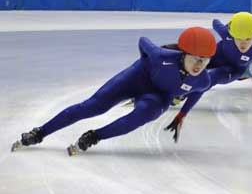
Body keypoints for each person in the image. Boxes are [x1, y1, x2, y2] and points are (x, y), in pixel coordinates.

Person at [12, 27, 217, 154]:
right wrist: (144, 66)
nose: (200, 64)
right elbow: (143, 41)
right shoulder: (161, 56)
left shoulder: (203, 79)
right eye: (195, 58)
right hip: (136, 79)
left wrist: (182, 113)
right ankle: (40, 132)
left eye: (205, 60)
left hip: (157, 97)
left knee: (142, 115)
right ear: (183, 53)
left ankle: (94, 136)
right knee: (92, 107)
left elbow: (200, 90)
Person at [172, 12, 252, 113]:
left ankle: (182, 95)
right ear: (232, 34)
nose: (243, 44)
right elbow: (215, 22)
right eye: (239, 38)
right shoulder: (226, 34)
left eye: (248, 39)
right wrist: (230, 26)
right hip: (214, 58)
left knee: (211, 77)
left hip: (232, 70)